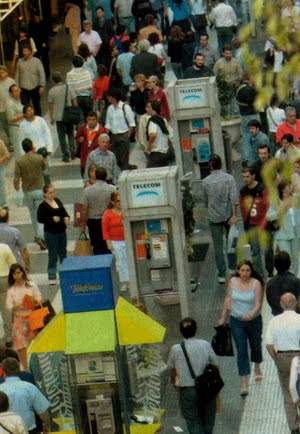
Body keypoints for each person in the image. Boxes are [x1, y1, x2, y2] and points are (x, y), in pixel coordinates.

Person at [219, 260, 264, 396]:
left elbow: (258, 303)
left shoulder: (256, 284)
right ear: (238, 271)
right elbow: (228, 300)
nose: (245, 273)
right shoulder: (232, 282)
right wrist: (223, 317)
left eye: (248, 270)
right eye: (242, 270)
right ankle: (244, 381)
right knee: (241, 349)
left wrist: (252, 313)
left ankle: (257, 366)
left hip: (254, 321)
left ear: (251, 271)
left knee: (255, 345)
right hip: (237, 321)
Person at [167, 317, 218, 433]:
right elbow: (215, 366)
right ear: (196, 330)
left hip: (188, 391)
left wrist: (176, 386)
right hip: (207, 389)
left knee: (193, 421)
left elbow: (173, 371)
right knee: (208, 422)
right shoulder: (205, 344)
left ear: (181, 332)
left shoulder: (175, 349)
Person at [265, 293, 300, 432]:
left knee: (287, 393)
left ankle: (294, 427)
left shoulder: (274, 321)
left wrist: (276, 359)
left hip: (283, 358)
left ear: (281, 305)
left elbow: (268, 344)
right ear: (295, 304)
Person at [203, 154, 239, 284]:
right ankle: (233, 267)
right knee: (232, 242)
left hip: (214, 217)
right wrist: (234, 215)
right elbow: (234, 198)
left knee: (218, 246)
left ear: (210, 166)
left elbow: (205, 200)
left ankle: (222, 274)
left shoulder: (206, 181)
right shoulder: (229, 179)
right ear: (221, 164)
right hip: (228, 215)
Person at [6, 263, 42, 371]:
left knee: (36, 343)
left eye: (19, 272)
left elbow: (39, 298)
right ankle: (26, 368)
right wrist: (17, 307)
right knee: (20, 346)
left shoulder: (31, 285)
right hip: (19, 319)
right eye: (14, 273)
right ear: (12, 276)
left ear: (22, 272)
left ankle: (38, 365)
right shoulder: (11, 290)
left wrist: (34, 300)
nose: (17, 275)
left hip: (32, 317)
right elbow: (9, 305)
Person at [0, 357, 50, 433]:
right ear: (19, 370)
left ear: (4, 372)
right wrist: (46, 427)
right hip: (29, 430)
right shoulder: (30, 387)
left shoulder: (1, 389)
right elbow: (42, 412)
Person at [14, 138, 47, 251]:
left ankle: (37, 235)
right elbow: (44, 168)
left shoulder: (19, 161)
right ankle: (42, 236)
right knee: (41, 214)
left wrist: (16, 188)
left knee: (33, 215)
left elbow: (16, 178)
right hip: (39, 188)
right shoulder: (38, 158)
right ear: (32, 146)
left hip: (27, 191)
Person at [37, 185, 70, 285]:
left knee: (63, 253)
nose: (52, 195)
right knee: (53, 254)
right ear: (45, 194)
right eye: (50, 193)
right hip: (51, 233)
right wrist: (51, 219)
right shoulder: (42, 206)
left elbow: (64, 212)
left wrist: (67, 218)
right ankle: (52, 275)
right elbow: (40, 219)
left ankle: (66, 272)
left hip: (61, 231)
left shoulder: (57, 201)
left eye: (53, 192)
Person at [239, 167, 269, 276]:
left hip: (263, 224)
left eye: (247, 176)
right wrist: (245, 224)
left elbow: (267, 206)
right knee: (255, 252)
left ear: (253, 176)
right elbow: (243, 209)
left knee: (267, 250)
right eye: (243, 177)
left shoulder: (262, 188)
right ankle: (260, 275)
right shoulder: (243, 191)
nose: (245, 179)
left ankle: (269, 269)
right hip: (251, 224)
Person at [81, 167, 116, 255]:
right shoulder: (112, 189)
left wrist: (83, 224)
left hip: (93, 221)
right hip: (109, 220)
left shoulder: (87, 191)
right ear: (106, 177)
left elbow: (84, 208)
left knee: (97, 246)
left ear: (96, 176)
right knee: (109, 245)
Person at [267, 181, 298, 276]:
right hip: (282, 233)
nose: (291, 187)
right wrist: (280, 212)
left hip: (295, 232)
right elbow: (268, 216)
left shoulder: (296, 198)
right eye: (289, 186)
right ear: (283, 189)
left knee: (295, 258)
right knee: (287, 258)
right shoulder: (275, 201)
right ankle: (288, 278)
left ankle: (295, 278)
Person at [19, 104, 53, 185]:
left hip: (42, 150)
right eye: (28, 110)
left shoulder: (40, 120)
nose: (30, 112)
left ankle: (48, 188)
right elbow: (21, 140)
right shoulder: (22, 125)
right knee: (34, 174)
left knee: (45, 173)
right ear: (25, 114)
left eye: (31, 110)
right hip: (31, 153)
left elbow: (47, 134)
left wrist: (49, 148)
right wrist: (24, 155)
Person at [102, 191, 129, 291]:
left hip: (128, 240)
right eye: (118, 201)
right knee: (121, 262)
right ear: (113, 202)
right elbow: (105, 229)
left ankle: (132, 280)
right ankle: (125, 282)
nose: (120, 203)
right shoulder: (108, 213)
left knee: (130, 260)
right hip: (116, 241)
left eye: (122, 200)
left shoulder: (127, 211)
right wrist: (108, 241)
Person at [48, 71, 77, 163]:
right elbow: (75, 102)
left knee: (61, 136)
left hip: (58, 117)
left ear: (53, 80)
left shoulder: (51, 91)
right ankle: (73, 152)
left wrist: (52, 117)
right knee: (71, 134)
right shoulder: (69, 88)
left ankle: (65, 155)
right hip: (68, 116)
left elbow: (51, 106)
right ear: (61, 78)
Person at [105, 88, 136, 170]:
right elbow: (108, 124)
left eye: (109, 96)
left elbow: (132, 123)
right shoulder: (110, 109)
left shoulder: (125, 107)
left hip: (124, 134)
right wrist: (106, 136)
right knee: (115, 158)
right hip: (114, 136)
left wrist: (127, 136)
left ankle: (125, 172)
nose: (107, 98)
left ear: (114, 97)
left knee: (124, 158)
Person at [266, 251, 300, 316]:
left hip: (278, 317)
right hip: (295, 317)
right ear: (289, 264)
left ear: (275, 265)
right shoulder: (297, 282)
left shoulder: (270, 284)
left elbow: (270, 302)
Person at [236, 72, 259, 165]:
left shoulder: (238, 88)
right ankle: (253, 158)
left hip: (243, 115)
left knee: (246, 136)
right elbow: (253, 102)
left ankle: (246, 157)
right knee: (254, 137)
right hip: (251, 115)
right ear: (250, 78)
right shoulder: (250, 89)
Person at [15, 46, 45, 117]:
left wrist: (42, 86)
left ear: (30, 52)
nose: (23, 53)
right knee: (25, 105)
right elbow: (17, 75)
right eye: (23, 51)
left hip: (35, 86)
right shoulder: (19, 61)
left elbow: (41, 73)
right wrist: (17, 87)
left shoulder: (37, 61)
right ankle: (27, 119)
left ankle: (38, 119)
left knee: (36, 104)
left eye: (25, 51)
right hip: (23, 87)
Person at [75, 111, 106, 177]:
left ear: (97, 120)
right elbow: (76, 139)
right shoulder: (82, 129)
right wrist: (79, 140)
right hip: (84, 160)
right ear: (87, 119)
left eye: (93, 120)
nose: (91, 122)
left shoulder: (101, 131)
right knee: (85, 179)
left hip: (97, 161)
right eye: (89, 120)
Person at [213, 45, 242, 116]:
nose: (228, 55)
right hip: (223, 89)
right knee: (225, 109)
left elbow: (240, 74)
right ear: (223, 53)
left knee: (235, 108)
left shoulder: (236, 62)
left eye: (230, 53)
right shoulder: (218, 63)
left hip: (234, 88)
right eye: (227, 53)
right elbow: (214, 76)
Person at [0, 208, 30, 273]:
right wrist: (27, 265)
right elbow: (24, 251)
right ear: (8, 219)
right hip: (13, 265)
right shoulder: (15, 232)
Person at [145, 100, 171, 167]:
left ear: (153, 109)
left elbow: (153, 135)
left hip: (156, 153)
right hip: (165, 152)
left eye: (148, 107)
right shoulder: (163, 120)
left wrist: (149, 147)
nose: (146, 109)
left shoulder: (152, 121)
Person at [66, 55, 93, 121]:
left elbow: (69, 88)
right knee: (88, 118)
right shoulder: (87, 73)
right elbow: (90, 86)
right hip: (87, 98)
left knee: (78, 118)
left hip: (76, 99)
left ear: (73, 64)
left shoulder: (69, 74)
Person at [0, 244, 16, 346]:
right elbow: (13, 265)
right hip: (4, 278)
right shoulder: (5, 247)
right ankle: (9, 336)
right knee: (6, 309)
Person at [5, 84, 23, 159]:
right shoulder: (9, 103)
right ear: (11, 93)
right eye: (15, 91)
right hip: (15, 128)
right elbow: (11, 119)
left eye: (18, 90)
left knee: (23, 151)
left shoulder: (19, 101)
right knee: (19, 152)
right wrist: (24, 115)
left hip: (22, 128)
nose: (17, 92)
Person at [0, 65, 15, 151]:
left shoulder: (11, 82)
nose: (1, 74)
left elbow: (16, 92)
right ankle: (10, 140)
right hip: (1, 108)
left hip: (11, 107)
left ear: (6, 72)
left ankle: (13, 141)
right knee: (5, 126)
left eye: (2, 72)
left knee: (12, 125)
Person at [0, 140, 9, 210]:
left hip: (0, 168)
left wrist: (1, 160)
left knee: (1, 186)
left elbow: (7, 154)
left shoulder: (0, 142)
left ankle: (4, 205)